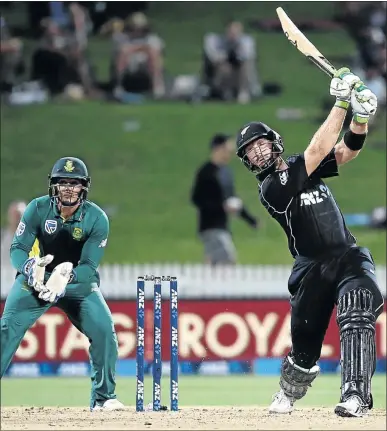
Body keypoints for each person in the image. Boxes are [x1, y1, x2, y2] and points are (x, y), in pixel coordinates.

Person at [235, 68, 383, 417]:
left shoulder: (305, 167)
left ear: (273, 142)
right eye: (250, 151)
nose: (257, 152)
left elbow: (346, 150)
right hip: (311, 269)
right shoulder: (271, 188)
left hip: (348, 257)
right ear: (247, 162)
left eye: (260, 143)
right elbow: (318, 148)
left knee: (358, 308)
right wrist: (343, 102)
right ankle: (288, 392)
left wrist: (361, 119)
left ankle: (356, 397)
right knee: (304, 346)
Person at [0, 157, 123, 412]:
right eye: (62, 182)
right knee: (7, 329)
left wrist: (66, 277)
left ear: (83, 187)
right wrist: (30, 268)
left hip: (75, 283)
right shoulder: (37, 208)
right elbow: (18, 249)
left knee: (104, 331)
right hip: (35, 281)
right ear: (54, 186)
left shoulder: (97, 219)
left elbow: (89, 267)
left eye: (74, 183)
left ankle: (103, 398)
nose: (68, 188)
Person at [191, 134, 258, 265]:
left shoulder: (226, 172)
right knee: (227, 261)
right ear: (218, 149)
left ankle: (208, 285)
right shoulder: (206, 172)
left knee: (215, 264)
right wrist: (221, 207)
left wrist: (250, 219)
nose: (231, 154)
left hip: (222, 226)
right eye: (228, 150)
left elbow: (232, 199)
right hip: (210, 226)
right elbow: (197, 199)